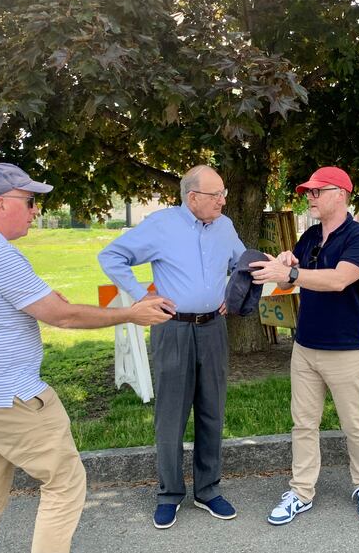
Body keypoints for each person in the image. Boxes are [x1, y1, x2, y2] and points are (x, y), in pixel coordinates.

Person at [0, 162, 175, 553]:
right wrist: (132, 313)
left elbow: (0, 306)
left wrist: (43, 305)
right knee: (65, 484)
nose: (35, 211)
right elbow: (63, 316)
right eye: (29, 201)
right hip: (12, 399)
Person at [98, 165, 245, 529]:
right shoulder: (162, 225)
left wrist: (233, 292)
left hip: (213, 329)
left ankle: (208, 490)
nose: (223, 201)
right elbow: (111, 257)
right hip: (173, 330)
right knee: (171, 415)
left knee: (212, 411)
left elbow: (241, 264)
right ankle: (169, 494)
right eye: (217, 195)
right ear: (192, 197)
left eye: (224, 193)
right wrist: (143, 296)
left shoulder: (224, 227)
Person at [250, 166, 359, 525]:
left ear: (340, 194)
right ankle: (301, 491)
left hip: (346, 349)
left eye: (317, 191)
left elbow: (339, 279)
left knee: (355, 423)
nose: (310, 197)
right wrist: (287, 260)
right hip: (305, 347)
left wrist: (290, 274)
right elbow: (294, 274)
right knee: (303, 424)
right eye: (308, 191)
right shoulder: (309, 236)